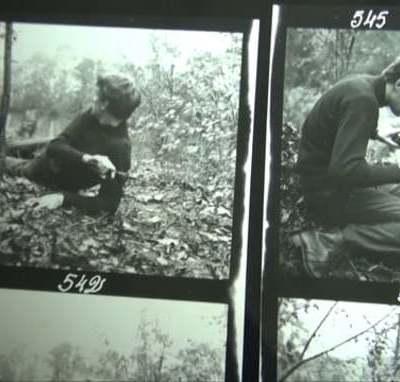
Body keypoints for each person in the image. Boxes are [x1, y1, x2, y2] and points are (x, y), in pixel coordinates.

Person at [292, 57, 400, 277]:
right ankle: (329, 244)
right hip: (329, 194)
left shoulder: (361, 85)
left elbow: (340, 122)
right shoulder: (364, 101)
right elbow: (346, 170)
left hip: (320, 183)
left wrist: (377, 134)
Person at [5, 73, 141, 215]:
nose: (94, 99)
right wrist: (87, 158)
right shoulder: (92, 115)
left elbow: (108, 204)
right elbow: (55, 145)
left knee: (6, 162)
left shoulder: (120, 148)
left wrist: (63, 198)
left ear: (104, 104)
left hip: (44, 170)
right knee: (13, 146)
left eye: (97, 96)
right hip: (53, 152)